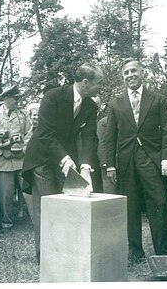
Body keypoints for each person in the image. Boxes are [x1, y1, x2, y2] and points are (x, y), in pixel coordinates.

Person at [22, 62, 103, 263]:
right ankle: (46, 258)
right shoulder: (53, 96)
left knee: (66, 204)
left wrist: (85, 166)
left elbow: (90, 137)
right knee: (48, 206)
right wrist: (65, 158)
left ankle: (64, 252)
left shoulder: (91, 105)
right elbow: (45, 133)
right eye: (97, 83)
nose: (99, 88)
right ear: (86, 82)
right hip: (41, 157)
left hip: (65, 158)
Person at [105, 58, 167, 263]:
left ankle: (163, 253)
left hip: (151, 159)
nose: (130, 75)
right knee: (130, 206)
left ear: (142, 72)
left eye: (133, 71)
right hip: (126, 162)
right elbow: (110, 137)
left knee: (159, 203)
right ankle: (135, 252)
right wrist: (110, 165)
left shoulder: (157, 99)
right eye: (126, 73)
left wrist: (166, 160)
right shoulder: (115, 103)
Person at [0, 85, 31, 230]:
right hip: (2, 159)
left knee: (28, 189)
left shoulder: (23, 114)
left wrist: (23, 150)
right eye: (15, 99)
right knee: (6, 193)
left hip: (21, 158)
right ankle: (7, 220)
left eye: (18, 98)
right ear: (6, 98)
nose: (18, 101)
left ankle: (32, 219)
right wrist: (1, 151)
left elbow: (29, 133)